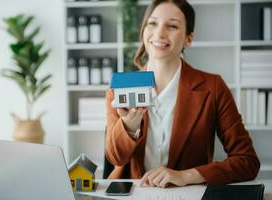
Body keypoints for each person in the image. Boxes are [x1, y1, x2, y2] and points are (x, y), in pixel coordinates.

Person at [105, 0, 260, 187]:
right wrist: (129, 126)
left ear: (189, 39)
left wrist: (186, 176)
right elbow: (115, 158)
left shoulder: (214, 88)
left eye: (172, 26)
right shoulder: (120, 87)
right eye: (152, 23)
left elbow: (247, 161)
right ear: (144, 31)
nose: (159, 33)